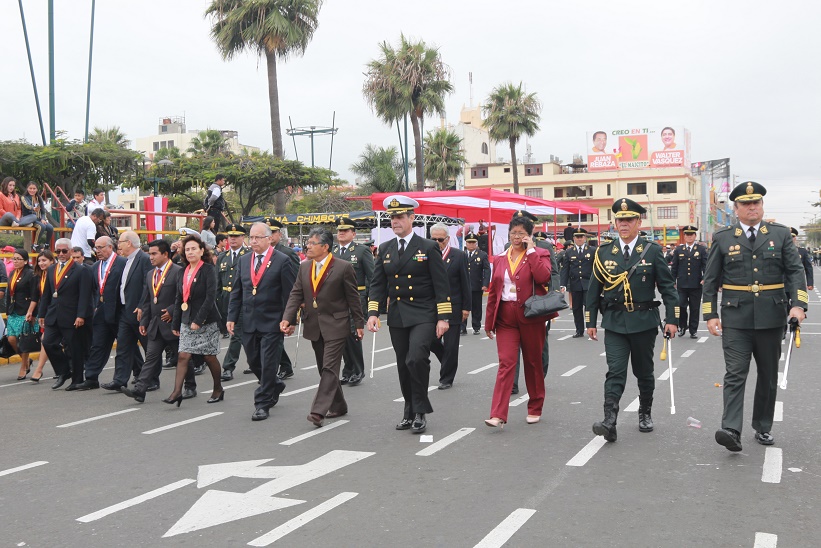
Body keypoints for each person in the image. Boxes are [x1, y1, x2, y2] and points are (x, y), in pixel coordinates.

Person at [704, 182, 807, 452]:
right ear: (736, 208)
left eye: (756, 202)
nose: (752, 207)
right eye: (746, 203)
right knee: (735, 373)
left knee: (768, 375)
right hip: (735, 316)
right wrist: (710, 313)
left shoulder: (781, 234)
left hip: (771, 316)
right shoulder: (723, 237)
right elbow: (711, 279)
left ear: (762, 206)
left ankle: (762, 426)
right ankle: (731, 429)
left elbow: (796, 272)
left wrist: (798, 305)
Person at [586, 198, 679, 442]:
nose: (624, 224)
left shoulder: (652, 250)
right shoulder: (604, 252)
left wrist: (673, 318)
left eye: (629, 220)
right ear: (614, 223)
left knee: (644, 371)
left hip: (643, 322)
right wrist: (590, 320)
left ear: (639, 222)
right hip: (615, 322)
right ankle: (609, 421)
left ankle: (645, 412)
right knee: (615, 371)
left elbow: (668, 288)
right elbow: (593, 289)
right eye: (620, 220)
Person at [367, 196, 452, 434]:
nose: (395, 221)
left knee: (416, 358)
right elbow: (377, 284)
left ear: (412, 218)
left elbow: (441, 284)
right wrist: (373, 312)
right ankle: (409, 410)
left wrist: (443, 317)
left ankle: (420, 410)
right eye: (392, 217)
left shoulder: (427, 247)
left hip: (424, 312)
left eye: (400, 217)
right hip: (398, 315)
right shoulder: (385, 249)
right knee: (404, 364)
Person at [281, 227, 365, 427]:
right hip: (314, 324)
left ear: (325, 247)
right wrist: (288, 317)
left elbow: (354, 298)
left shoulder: (343, 267)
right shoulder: (304, 267)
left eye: (312, 243)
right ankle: (339, 404)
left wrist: (358, 323)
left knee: (329, 367)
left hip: (337, 323)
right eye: (307, 243)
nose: (307, 246)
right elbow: (296, 294)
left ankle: (318, 411)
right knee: (323, 368)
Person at [484, 211, 553, 428]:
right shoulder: (500, 258)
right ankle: (498, 414)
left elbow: (543, 277)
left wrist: (531, 250)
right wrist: (489, 322)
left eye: (521, 233)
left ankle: (535, 406)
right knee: (506, 363)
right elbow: (494, 291)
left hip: (530, 315)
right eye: (513, 232)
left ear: (530, 235)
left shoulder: (540, 253)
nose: (516, 237)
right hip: (506, 317)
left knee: (533, 363)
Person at [227, 222, 296, 421]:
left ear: (268, 239)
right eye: (251, 237)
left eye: (258, 237)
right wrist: (231, 317)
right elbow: (237, 291)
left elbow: (289, 294)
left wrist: (289, 320)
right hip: (249, 320)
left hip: (273, 321)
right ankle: (274, 384)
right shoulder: (244, 260)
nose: (253, 241)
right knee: (253, 361)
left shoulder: (282, 260)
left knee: (268, 363)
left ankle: (262, 403)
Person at [163, 235, 224, 406]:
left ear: (202, 250)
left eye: (193, 249)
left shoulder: (208, 270)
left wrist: (199, 319)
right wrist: (175, 322)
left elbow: (210, 298)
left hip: (206, 321)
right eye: (187, 249)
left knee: (209, 357)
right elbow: (178, 298)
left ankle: (218, 388)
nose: (190, 252)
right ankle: (176, 392)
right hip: (186, 319)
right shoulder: (182, 271)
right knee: (183, 355)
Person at [122, 240, 183, 403]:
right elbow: (148, 300)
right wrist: (143, 321)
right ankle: (140, 390)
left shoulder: (178, 271)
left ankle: (190, 385)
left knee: (182, 358)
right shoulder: (151, 274)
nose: (151, 257)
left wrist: (171, 310)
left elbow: (183, 296)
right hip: (156, 325)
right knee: (151, 357)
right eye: (149, 253)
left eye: (154, 253)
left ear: (165, 254)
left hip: (173, 325)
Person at [37, 238, 93, 390]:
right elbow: (47, 294)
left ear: (70, 251)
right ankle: (63, 371)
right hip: (53, 314)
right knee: (48, 342)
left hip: (72, 315)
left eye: (64, 251)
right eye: (58, 251)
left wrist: (81, 315)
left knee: (75, 348)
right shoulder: (51, 269)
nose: (61, 254)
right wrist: (41, 314)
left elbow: (84, 295)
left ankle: (77, 379)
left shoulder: (81, 270)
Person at [72, 236, 126, 391]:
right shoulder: (95, 266)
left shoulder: (122, 263)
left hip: (118, 311)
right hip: (101, 311)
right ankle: (91, 377)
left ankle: (139, 373)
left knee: (125, 345)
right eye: (96, 248)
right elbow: (95, 289)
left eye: (101, 247)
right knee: (98, 345)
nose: (98, 251)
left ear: (111, 247)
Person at [105, 231, 152, 391]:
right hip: (125, 311)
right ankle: (119, 379)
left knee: (149, 347)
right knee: (123, 347)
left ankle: (152, 379)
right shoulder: (125, 261)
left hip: (139, 311)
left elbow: (148, 285)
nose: (119, 245)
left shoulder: (144, 260)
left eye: (121, 242)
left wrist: (142, 305)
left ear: (129, 243)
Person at [332, 216, 374, 386]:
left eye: (345, 231)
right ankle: (348, 370)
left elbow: (372, 276)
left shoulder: (361, 251)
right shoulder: (332, 251)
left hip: (356, 298)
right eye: (339, 231)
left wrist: (373, 301)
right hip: (336, 300)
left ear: (353, 234)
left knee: (353, 334)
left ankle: (357, 370)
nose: (341, 233)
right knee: (341, 336)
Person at [429, 223, 470, 389]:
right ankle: (446, 360)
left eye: (441, 239)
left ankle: (446, 378)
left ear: (447, 239)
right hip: (431, 307)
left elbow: (465, 283)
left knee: (452, 345)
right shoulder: (426, 254)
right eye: (434, 239)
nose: (438, 242)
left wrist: (466, 308)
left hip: (453, 306)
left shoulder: (458, 256)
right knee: (431, 340)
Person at [266, 218, 299, 379]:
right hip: (264, 302)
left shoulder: (287, 253)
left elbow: (295, 281)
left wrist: (295, 307)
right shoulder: (258, 253)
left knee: (274, 336)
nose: (269, 236)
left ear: (279, 234)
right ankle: (283, 365)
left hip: (281, 301)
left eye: (272, 232)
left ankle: (281, 368)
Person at [218, 223, 250, 380]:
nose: (232, 239)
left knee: (236, 334)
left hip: (243, 301)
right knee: (248, 336)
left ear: (243, 237)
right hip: (226, 300)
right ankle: (283, 363)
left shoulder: (248, 255)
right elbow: (218, 282)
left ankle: (228, 367)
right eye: (230, 236)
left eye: (236, 236)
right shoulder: (222, 257)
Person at [6, 249, 38, 380]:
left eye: (18, 259)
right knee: (11, 339)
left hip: (25, 310)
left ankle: (23, 367)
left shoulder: (31, 274)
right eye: (14, 259)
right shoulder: (13, 273)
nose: (15, 261)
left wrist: (31, 312)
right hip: (13, 310)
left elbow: (35, 295)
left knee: (23, 339)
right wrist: (8, 310)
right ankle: (26, 361)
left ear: (25, 261)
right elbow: (10, 292)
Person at [670, 225, 708, 339]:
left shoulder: (701, 250)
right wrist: (672, 281)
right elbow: (674, 267)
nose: (689, 237)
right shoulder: (678, 250)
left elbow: (705, 265)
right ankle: (682, 326)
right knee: (681, 305)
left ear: (695, 236)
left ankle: (693, 330)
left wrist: (704, 277)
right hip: (681, 284)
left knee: (694, 308)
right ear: (684, 236)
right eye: (687, 235)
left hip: (696, 284)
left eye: (691, 235)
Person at [560, 227, 594, 338]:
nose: (579, 239)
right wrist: (563, 284)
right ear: (573, 238)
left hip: (588, 283)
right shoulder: (569, 252)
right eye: (577, 237)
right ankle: (579, 330)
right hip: (575, 284)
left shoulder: (592, 250)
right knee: (576, 308)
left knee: (588, 307)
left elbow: (596, 268)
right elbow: (565, 269)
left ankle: (590, 328)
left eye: (581, 237)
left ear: (585, 238)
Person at [29, 250, 54, 382]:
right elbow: (35, 297)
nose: (41, 263)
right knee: (46, 339)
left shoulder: (56, 274)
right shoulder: (37, 277)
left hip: (57, 310)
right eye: (39, 261)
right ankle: (39, 369)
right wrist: (30, 312)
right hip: (44, 312)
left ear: (52, 261)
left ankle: (40, 369)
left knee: (49, 340)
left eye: (44, 260)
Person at [461, 232, 490, 336]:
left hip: (476, 285)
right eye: (469, 242)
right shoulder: (461, 254)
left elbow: (487, 270)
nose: (471, 245)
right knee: (463, 306)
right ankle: (462, 327)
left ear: (476, 243)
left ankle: (476, 326)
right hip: (463, 286)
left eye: (473, 242)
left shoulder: (482, 255)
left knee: (476, 307)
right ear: (466, 243)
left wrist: (485, 284)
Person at [20, 182, 54, 249]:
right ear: (27, 189)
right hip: (30, 218)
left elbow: (43, 211)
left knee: (50, 227)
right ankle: (35, 244)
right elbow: (27, 206)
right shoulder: (24, 197)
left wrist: (43, 218)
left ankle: (47, 244)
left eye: (34, 188)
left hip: (38, 219)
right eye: (30, 188)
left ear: (37, 189)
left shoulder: (39, 198)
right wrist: (33, 208)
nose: (32, 190)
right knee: (42, 227)